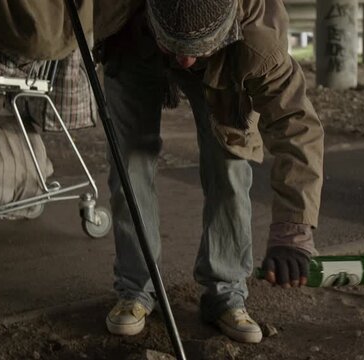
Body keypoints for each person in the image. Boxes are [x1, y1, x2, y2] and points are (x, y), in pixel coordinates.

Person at [94, 0, 324, 344]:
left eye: (195, 51)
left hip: (226, 57)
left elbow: (297, 129)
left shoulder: (258, 43)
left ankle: (225, 292)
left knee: (229, 161)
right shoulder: (127, 15)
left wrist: (293, 230)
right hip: (135, 40)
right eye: (175, 48)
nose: (184, 62)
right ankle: (135, 288)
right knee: (130, 159)